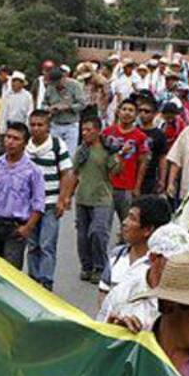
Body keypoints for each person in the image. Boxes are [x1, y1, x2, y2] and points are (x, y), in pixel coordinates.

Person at [24, 109, 73, 290]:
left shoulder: (57, 145)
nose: (36, 128)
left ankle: (46, 282)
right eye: (33, 125)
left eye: (40, 125)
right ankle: (33, 280)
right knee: (32, 244)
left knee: (47, 244)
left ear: (48, 127)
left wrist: (63, 199)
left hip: (51, 203)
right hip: (30, 205)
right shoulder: (26, 147)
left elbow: (67, 173)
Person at [0, 122, 44, 269]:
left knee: (10, 271)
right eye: (8, 137)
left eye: (16, 139)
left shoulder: (33, 171)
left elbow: (38, 204)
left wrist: (27, 228)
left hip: (16, 227)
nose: (10, 142)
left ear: (25, 143)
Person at [69, 115, 119, 283]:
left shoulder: (107, 150)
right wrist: (67, 196)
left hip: (102, 198)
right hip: (83, 198)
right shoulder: (81, 151)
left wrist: (120, 156)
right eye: (83, 130)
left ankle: (100, 266)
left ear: (98, 131)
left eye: (89, 130)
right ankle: (87, 266)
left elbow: (115, 172)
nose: (85, 133)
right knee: (82, 236)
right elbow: (74, 174)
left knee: (98, 233)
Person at [98, 196, 171, 302]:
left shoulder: (158, 264)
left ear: (148, 230)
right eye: (127, 216)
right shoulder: (116, 255)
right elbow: (103, 291)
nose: (124, 222)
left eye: (132, 218)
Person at [102, 97, 149, 223]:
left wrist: (137, 186)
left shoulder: (141, 137)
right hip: (107, 186)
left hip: (127, 187)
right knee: (103, 225)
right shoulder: (107, 133)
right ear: (118, 111)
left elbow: (143, 163)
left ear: (136, 115)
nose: (127, 113)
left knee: (127, 223)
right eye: (124, 109)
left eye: (131, 110)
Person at [40, 64, 88, 153]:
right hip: (55, 124)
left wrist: (68, 107)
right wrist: (49, 109)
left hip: (71, 124)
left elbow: (83, 104)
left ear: (63, 78)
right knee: (53, 152)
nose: (56, 86)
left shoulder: (75, 85)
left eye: (58, 83)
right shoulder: (50, 87)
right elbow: (43, 104)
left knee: (70, 154)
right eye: (54, 83)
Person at [136, 94, 169, 196]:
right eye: (140, 111)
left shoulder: (159, 134)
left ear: (154, 114)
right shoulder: (134, 131)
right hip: (132, 176)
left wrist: (162, 180)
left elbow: (162, 158)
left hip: (150, 178)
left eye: (147, 111)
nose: (143, 114)